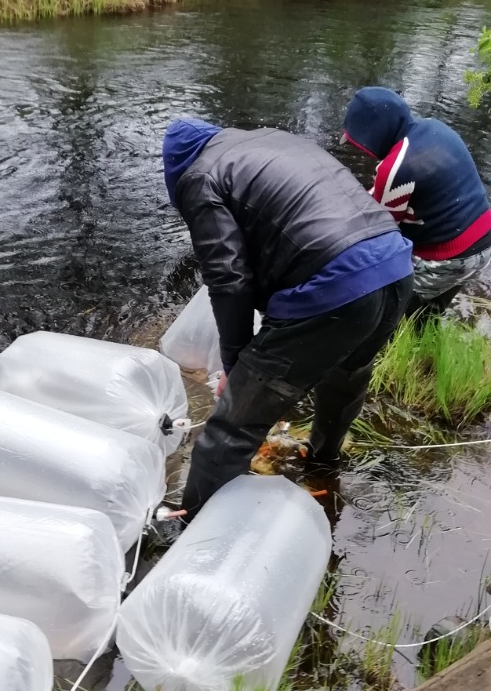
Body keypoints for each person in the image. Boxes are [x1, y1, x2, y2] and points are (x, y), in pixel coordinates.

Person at [163, 118, 414, 518]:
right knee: (346, 378)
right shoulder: (271, 141)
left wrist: (236, 365)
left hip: (335, 286)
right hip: (395, 268)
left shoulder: (197, 177)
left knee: (230, 428)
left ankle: (194, 532)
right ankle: (322, 465)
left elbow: (228, 279)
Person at [342, 88, 491, 315]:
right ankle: (426, 336)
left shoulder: (395, 167)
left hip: (452, 255)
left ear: (373, 134)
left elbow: (380, 228)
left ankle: (397, 341)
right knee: (431, 309)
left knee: (394, 308)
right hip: (482, 239)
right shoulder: (434, 128)